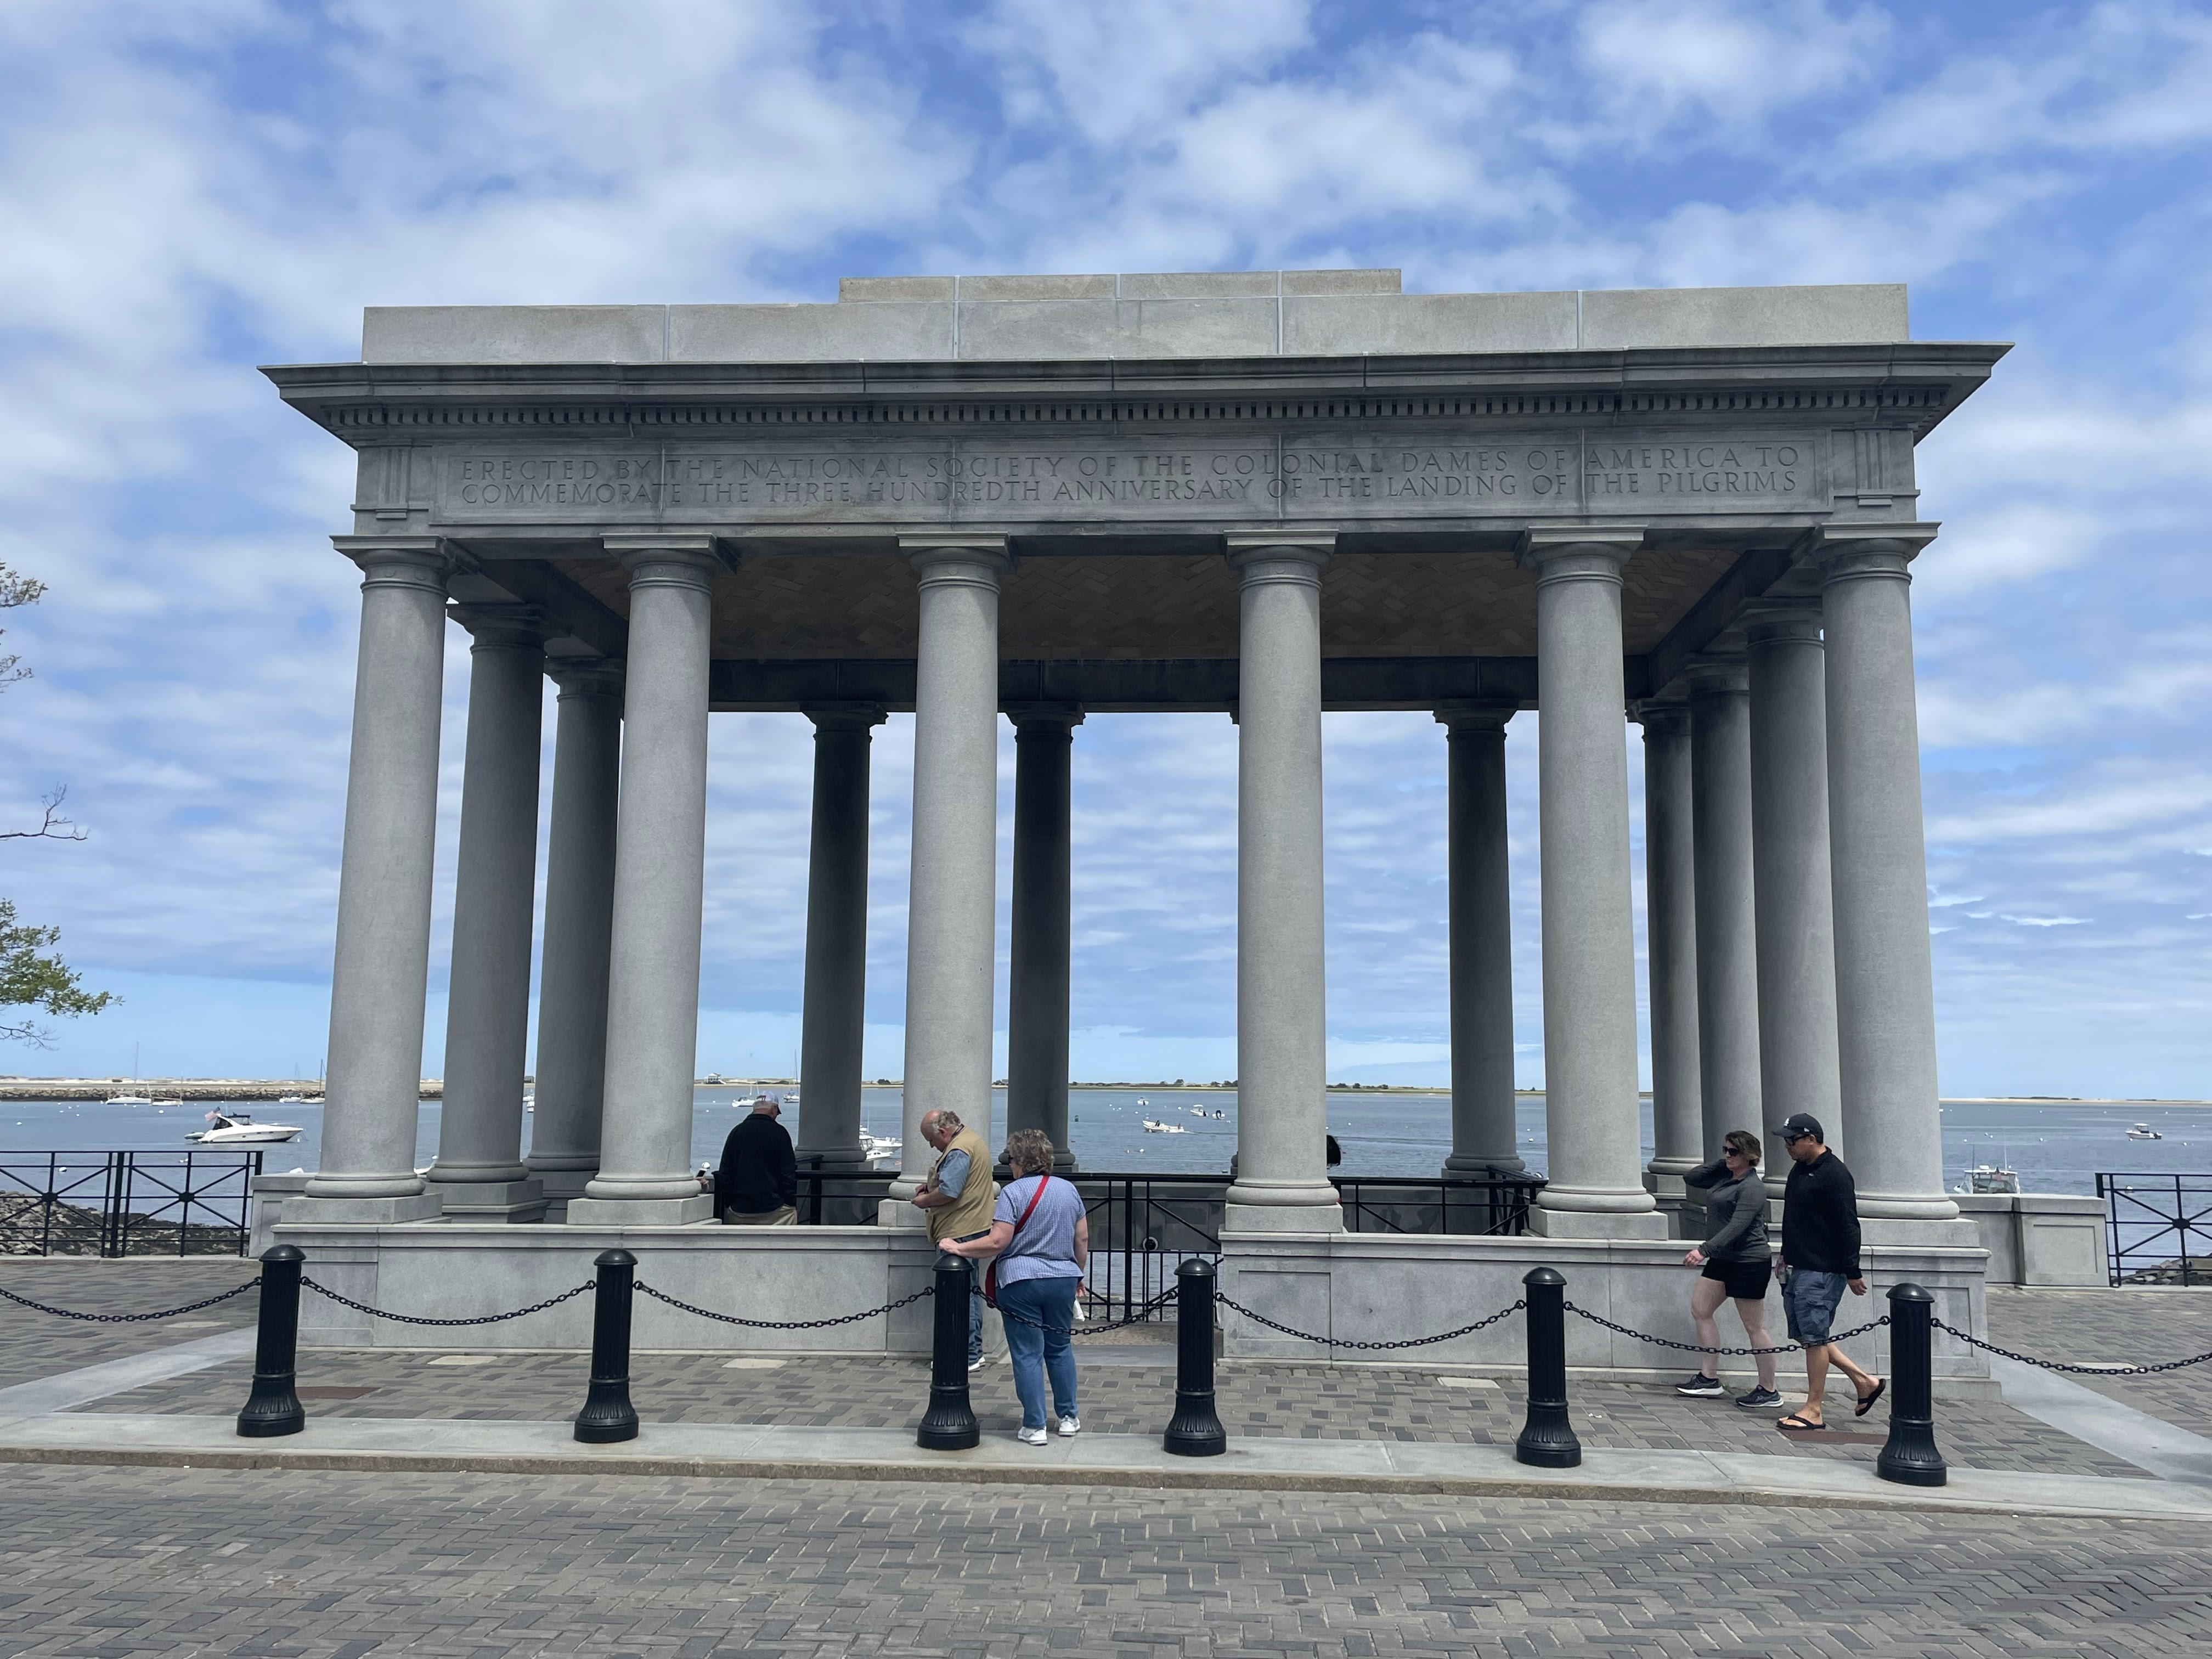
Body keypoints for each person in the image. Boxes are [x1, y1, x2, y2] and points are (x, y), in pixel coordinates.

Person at [937, 1128, 1089, 1446]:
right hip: (1062, 1278)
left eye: (1010, 1159)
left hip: (1021, 1281)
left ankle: (1035, 1426)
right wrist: (1078, 1275)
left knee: (1027, 1354)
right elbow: (1082, 1239)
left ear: (1019, 1161)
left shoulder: (1012, 1193)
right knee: (1060, 1349)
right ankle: (1069, 1418)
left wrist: (958, 1247)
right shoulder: (1069, 1191)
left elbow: (998, 1241)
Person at [1773, 1112, 1884, 1430]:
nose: (1788, 1147)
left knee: (1814, 1338)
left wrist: (1852, 1271)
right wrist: (1785, 1255)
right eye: (1786, 1141)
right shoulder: (1799, 1170)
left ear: (1812, 1139)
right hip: (1798, 1266)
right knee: (1807, 1335)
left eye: (1792, 1141)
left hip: (1823, 1270)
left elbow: (1849, 1225)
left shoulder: (1835, 1175)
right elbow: (1795, 1218)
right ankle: (1865, 1382)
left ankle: (1814, 1410)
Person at [1673, 1128, 1781, 1409]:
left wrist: (1703, 1250)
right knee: (1701, 1309)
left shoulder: (1752, 1188)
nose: (1728, 1156)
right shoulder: (1726, 1177)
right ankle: (1709, 1378)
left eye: (1733, 1152)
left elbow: (1738, 1226)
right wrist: (1725, 1163)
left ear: (1749, 1156)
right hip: (1723, 1259)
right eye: (1725, 1150)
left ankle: (1769, 1389)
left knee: (1754, 1327)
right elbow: (1692, 1178)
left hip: (1749, 1261)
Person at [910, 1108, 995, 1372]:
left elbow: (950, 1191)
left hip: (959, 1231)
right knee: (968, 1291)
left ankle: (967, 1355)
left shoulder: (959, 1150)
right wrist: (931, 1187)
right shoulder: (972, 1140)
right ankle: (972, 1352)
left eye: (931, 1140)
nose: (931, 1146)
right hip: (971, 1226)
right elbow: (961, 1183)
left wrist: (924, 1200)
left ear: (943, 1132)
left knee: (959, 1294)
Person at [701, 1096, 797, 1224]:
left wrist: (729, 1202)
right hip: (774, 1208)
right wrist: (790, 1201)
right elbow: (787, 1172)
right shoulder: (780, 1133)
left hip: (740, 1208)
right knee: (789, 1221)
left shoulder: (736, 1132)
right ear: (774, 1109)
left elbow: (726, 1171)